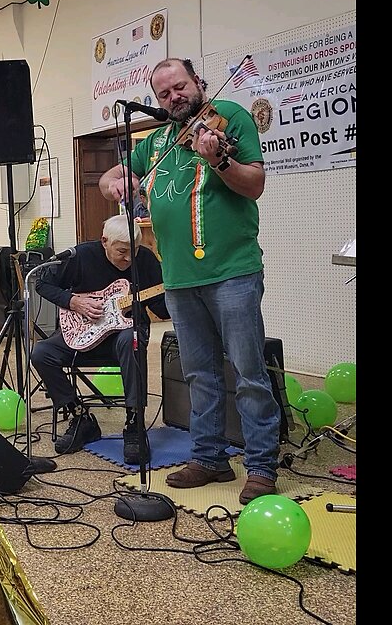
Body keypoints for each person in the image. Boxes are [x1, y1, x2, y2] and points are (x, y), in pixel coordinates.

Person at [99, 57, 281, 505]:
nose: (173, 97)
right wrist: (113, 184)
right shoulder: (158, 138)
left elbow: (254, 183)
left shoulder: (230, 118)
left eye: (179, 87)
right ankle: (208, 456)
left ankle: (260, 465)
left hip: (232, 270)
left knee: (248, 371)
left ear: (197, 82)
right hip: (179, 276)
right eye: (163, 94)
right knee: (199, 372)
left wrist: (218, 159)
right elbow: (117, 175)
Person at [31, 214, 168, 461]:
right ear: (105, 241)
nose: (128, 259)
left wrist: (177, 296)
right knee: (41, 353)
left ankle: (134, 424)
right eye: (122, 251)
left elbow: (160, 307)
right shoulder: (81, 255)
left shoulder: (145, 259)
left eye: (133, 252)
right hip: (83, 332)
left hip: (123, 339)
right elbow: (43, 283)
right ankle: (80, 416)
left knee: (132, 339)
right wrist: (73, 301)